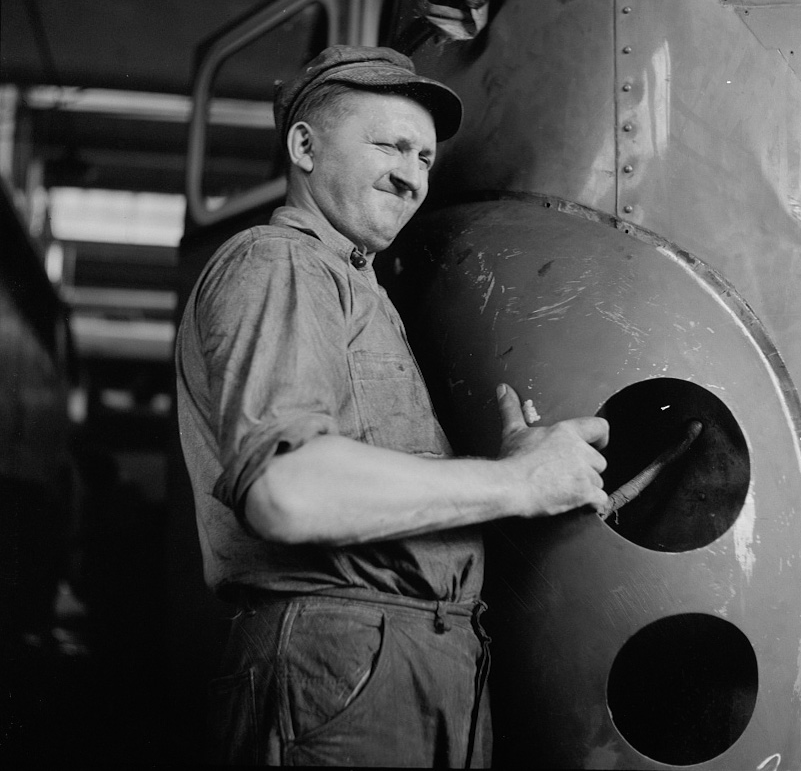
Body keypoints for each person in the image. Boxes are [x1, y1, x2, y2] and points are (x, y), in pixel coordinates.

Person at [175, 44, 610, 767]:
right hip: (344, 662)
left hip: (409, 659)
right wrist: (518, 483)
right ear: (304, 147)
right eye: (389, 146)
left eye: (426, 159)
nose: (412, 177)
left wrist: (514, 470)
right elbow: (290, 492)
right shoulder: (281, 262)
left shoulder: (355, 285)